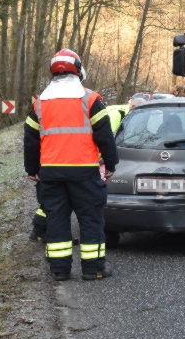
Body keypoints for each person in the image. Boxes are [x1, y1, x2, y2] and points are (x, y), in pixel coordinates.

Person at [24, 49, 119, 281]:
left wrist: (32, 169)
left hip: (51, 173)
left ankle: (59, 270)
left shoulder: (39, 105)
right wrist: (110, 163)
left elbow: (30, 141)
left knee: (56, 220)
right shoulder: (90, 99)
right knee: (91, 219)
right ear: (78, 70)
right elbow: (105, 136)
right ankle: (94, 269)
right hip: (85, 172)